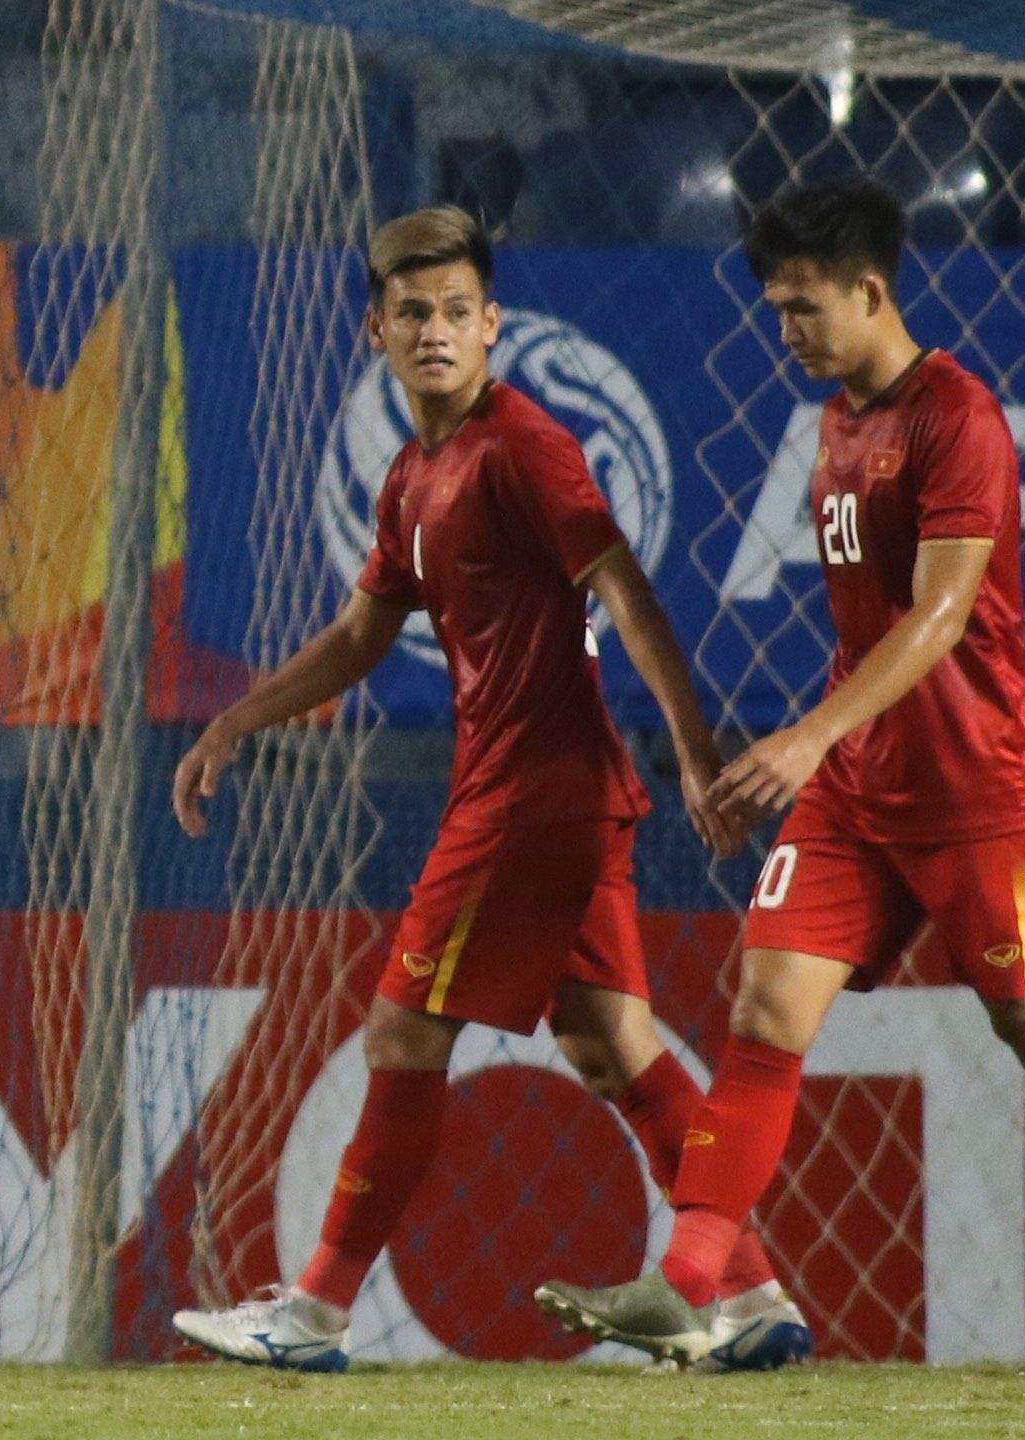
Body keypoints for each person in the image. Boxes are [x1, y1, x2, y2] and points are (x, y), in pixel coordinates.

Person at [167, 206, 808, 1373]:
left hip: (531, 797)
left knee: (401, 1030)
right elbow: (363, 634)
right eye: (413, 312)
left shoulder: (521, 448)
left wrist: (697, 754)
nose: (435, 331)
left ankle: (310, 1315)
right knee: (611, 1043)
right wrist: (235, 718)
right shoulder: (413, 475)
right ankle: (755, 1294)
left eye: (457, 311)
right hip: (550, 796)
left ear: (492, 325)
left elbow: (623, 589)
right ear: (375, 328)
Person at [537, 178, 1025, 1374]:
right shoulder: (834, 427)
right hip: (861, 791)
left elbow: (944, 614)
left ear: (870, 290)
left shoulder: (960, 416)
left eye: (803, 307)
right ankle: (692, 1281)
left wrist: (804, 735)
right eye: (774, 309)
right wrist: (827, 753)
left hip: (975, 792)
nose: (786, 330)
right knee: (765, 1003)